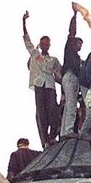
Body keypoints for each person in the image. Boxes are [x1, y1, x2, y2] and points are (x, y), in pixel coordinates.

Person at [23, 11, 62, 148]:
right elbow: (27, 42)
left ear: (49, 45)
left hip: (50, 86)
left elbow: (60, 76)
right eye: (42, 44)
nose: (45, 46)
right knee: (41, 113)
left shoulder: (54, 60)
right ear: (40, 44)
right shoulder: (36, 56)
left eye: (47, 44)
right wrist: (24, 22)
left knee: (53, 111)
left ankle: (52, 137)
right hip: (39, 85)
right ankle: (45, 140)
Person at [60, 3, 85, 138]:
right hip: (70, 76)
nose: (79, 45)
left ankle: (64, 131)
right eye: (78, 43)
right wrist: (75, 16)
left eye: (81, 44)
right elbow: (72, 32)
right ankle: (69, 130)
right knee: (71, 105)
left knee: (69, 106)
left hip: (71, 78)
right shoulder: (69, 50)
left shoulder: (77, 58)